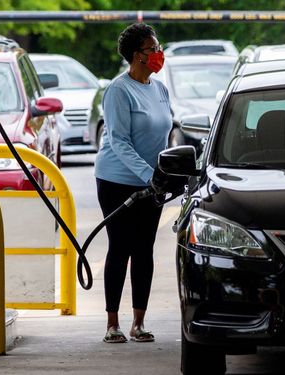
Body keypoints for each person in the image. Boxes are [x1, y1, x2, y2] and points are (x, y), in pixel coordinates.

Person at [94, 23, 171, 344]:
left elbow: (166, 134)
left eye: (157, 47)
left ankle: (138, 323)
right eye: (152, 49)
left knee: (144, 251)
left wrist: (168, 172)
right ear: (137, 55)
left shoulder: (159, 89)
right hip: (117, 181)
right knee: (121, 248)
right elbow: (120, 141)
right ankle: (112, 323)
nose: (158, 54)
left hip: (153, 183)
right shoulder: (118, 90)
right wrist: (148, 177)